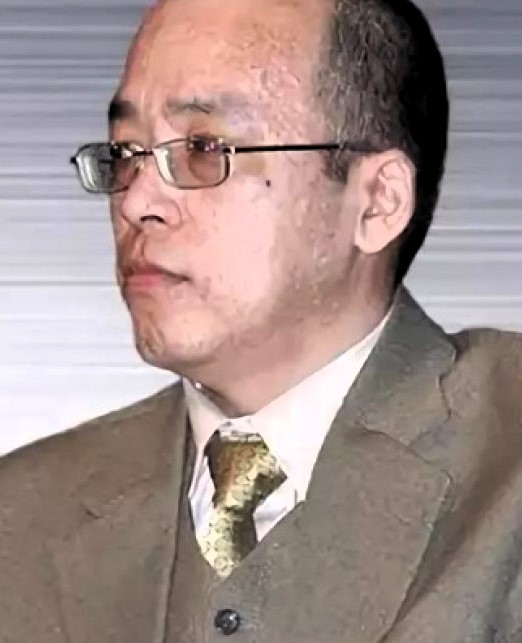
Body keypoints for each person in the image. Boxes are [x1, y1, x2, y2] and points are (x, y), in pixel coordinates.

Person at [1, 0, 522, 640]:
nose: (136, 200)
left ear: (376, 202)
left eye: (203, 148)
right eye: (125, 151)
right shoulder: (19, 518)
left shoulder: (506, 464)